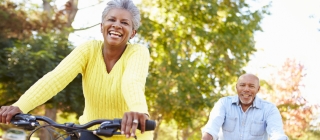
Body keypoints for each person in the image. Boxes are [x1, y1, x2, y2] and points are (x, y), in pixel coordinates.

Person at [0, 0, 153, 139]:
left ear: (133, 32)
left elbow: (132, 82)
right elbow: (56, 78)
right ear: (101, 27)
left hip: (131, 136)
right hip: (94, 132)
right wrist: (19, 106)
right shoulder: (88, 50)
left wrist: (138, 111)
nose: (117, 25)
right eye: (111, 20)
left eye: (125, 23)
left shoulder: (138, 52)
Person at [201, 73, 288, 140]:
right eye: (242, 85)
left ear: (258, 89)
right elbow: (211, 128)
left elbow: (277, 134)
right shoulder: (223, 103)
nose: (246, 89)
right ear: (236, 87)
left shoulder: (269, 109)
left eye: (251, 86)